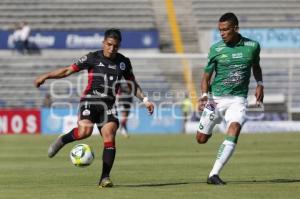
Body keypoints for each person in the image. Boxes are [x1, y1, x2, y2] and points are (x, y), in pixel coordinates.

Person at [34, 28, 154, 187]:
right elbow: (68, 70)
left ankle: (104, 178)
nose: (112, 49)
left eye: (116, 46)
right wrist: (46, 76)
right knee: (85, 132)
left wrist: (145, 100)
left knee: (110, 136)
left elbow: (132, 84)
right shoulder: (92, 57)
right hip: (90, 100)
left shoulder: (124, 62)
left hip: (109, 105)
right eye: (109, 44)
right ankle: (63, 139)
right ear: (104, 43)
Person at [196, 13, 264, 185]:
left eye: (226, 30)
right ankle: (214, 125)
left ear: (235, 28)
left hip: (238, 100)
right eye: (220, 30)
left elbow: (256, 66)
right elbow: (205, 77)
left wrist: (260, 83)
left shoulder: (252, 46)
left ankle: (214, 174)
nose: (222, 33)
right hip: (215, 100)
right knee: (201, 139)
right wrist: (204, 96)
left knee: (234, 128)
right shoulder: (216, 49)